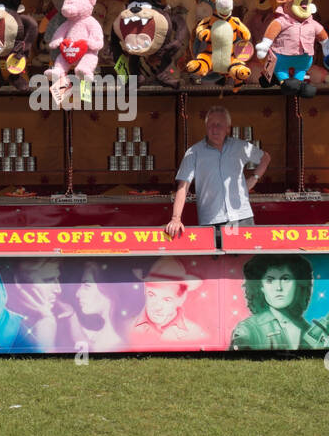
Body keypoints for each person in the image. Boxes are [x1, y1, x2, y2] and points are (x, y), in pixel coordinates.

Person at [166, 106, 270, 237]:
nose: (214, 129)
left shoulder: (240, 147)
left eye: (219, 125)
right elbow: (183, 186)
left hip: (242, 217)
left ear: (228, 128)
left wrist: (254, 178)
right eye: (210, 125)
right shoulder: (194, 152)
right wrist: (176, 219)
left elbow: (265, 157)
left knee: (247, 257)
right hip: (212, 220)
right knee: (215, 257)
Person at [231, 255, 316, 350]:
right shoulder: (248, 330)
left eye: (285, 279)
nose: (278, 288)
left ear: (297, 284)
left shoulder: (306, 328)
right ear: (261, 287)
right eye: (270, 280)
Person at [129, 257, 209, 346]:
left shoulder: (195, 333)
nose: (157, 307)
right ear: (145, 290)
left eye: (167, 300)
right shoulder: (127, 327)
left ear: (181, 299)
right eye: (152, 295)